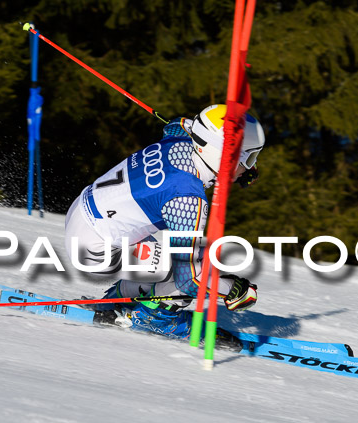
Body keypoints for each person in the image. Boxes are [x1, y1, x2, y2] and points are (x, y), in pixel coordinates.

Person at [64, 104, 264, 339]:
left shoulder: (180, 141)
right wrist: (234, 291)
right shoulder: (187, 199)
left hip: (83, 211)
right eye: (249, 158)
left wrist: (234, 168)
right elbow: (187, 278)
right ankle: (155, 319)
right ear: (225, 157)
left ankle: (118, 300)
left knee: (188, 258)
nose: (251, 166)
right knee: (197, 268)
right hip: (95, 250)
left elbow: (177, 124)